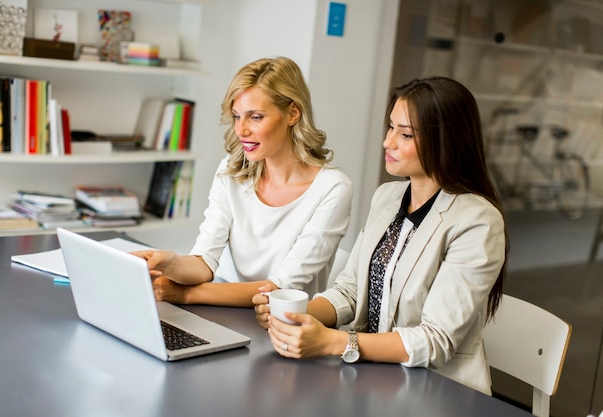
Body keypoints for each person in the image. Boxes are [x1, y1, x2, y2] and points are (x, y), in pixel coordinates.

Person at [253, 76, 509, 395]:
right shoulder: (387, 197)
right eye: (390, 128)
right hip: (376, 378)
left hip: (438, 389)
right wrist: (294, 315)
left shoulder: (478, 221)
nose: (388, 142)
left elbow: (435, 340)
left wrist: (336, 342)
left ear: (446, 141)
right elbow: (350, 291)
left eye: (405, 134)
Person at [133, 56, 353, 307]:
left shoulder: (332, 188)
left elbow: (279, 288)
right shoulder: (231, 170)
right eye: (237, 116)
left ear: (292, 113)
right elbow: (204, 262)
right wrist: (167, 261)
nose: (241, 130)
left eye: (255, 117)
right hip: (224, 312)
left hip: (286, 329)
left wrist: (187, 294)